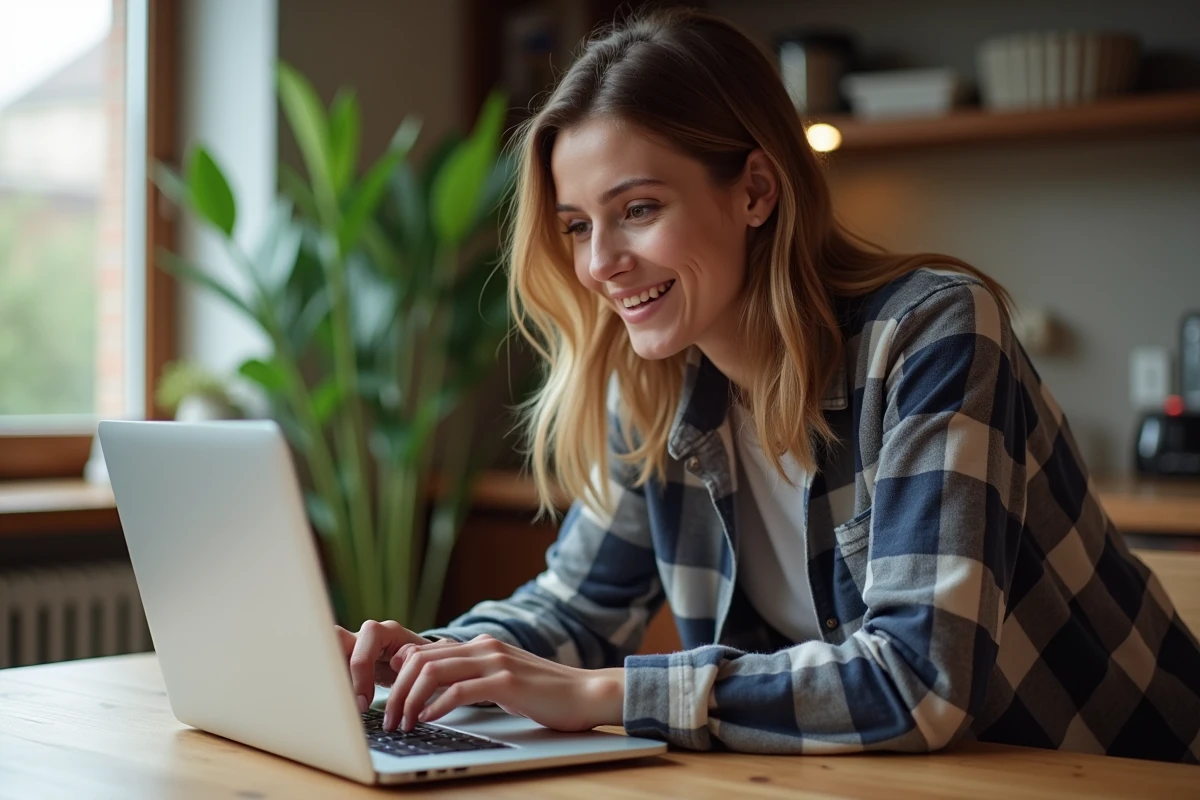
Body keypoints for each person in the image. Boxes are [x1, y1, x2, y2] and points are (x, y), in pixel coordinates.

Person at [336, 9, 1200, 762]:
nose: (599, 263)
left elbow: (918, 681)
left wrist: (600, 695)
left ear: (754, 190)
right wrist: (420, 661)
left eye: (637, 209)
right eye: (576, 225)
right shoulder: (652, 373)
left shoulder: (931, 334)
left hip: (1130, 774)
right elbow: (578, 605)